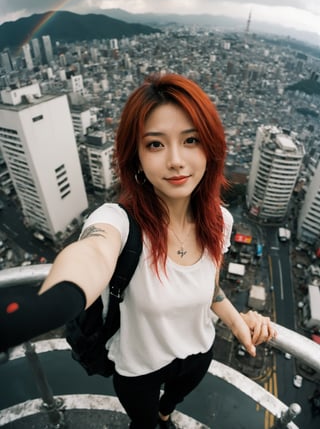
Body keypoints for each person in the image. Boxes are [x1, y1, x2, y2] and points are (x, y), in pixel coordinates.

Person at [0, 73, 276, 429]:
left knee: (169, 407)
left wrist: (240, 323)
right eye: (156, 145)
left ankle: (165, 414)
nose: (176, 160)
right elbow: (92, 254)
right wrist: (49, 302)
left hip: (198, 352)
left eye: (190, 140)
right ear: (137, 158)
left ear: (211, 147)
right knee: (144, 424)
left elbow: (211, 288)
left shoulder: (219, 220)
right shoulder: (117, 221)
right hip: (139, 367)